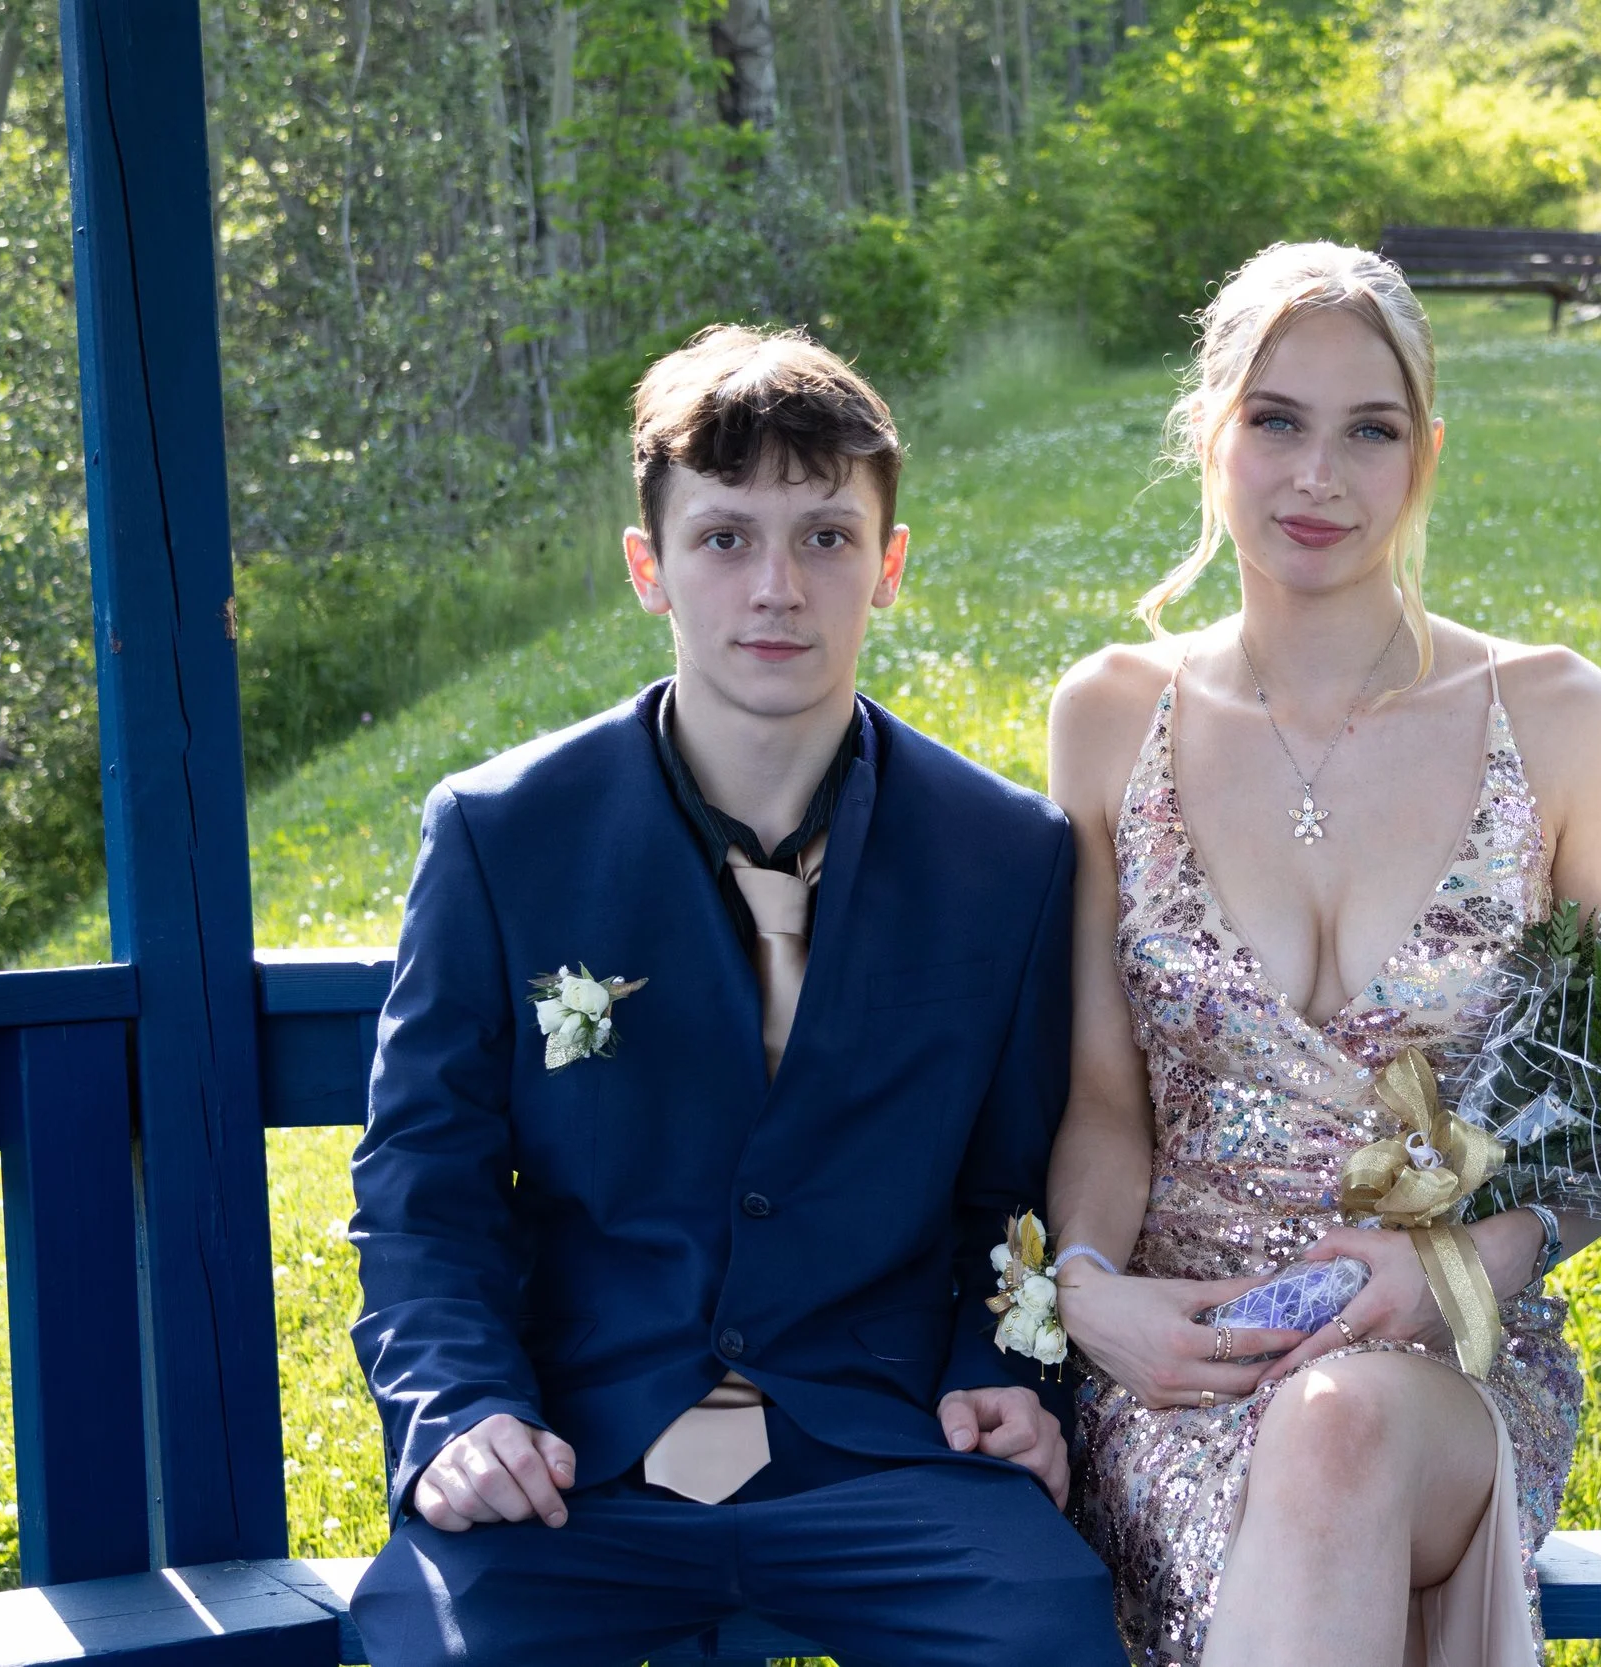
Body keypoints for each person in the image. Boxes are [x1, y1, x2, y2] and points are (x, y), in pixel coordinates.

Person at [347, 324, 1126, 1667]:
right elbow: (427, 1186)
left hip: (880, 1449)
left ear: (887, 562)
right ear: (649, 567)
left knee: (1043, 1625)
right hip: (581, 1457)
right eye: (725, 538)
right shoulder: (501, 834)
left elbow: (1011, 1197)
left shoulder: (1009, 855)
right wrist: (462, 1408)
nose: (777, 585)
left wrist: (1000, 1371)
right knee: (429, 1649)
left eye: (825, 537)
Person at [1045, 242, 1601, 1667]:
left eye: (1369, 429)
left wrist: (1455, 1270)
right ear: (1212, 437)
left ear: (1425, 455)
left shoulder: (1555, 717)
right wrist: (1089, 1291)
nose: (1319, 474)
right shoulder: (1107, 716)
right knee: (1290, 1463)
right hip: (1178, 1366)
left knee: (1338, 1432)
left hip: (1438, 1370)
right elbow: (1104, 1102)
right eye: (1277, 421)